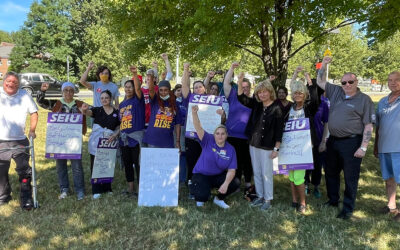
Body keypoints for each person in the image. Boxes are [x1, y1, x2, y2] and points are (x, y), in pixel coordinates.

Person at [317, 56, 375, 220]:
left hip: (351, 142)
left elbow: (368, 125)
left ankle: (348, 208)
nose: (347, 85)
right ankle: (333, 200)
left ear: (356, 82)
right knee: (330, 172)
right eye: (344, 82)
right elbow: (320, 81)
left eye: (350, 82)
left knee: (350, 176)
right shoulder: (336, 91)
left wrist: (363, 147)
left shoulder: (364, 100)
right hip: (333, 140)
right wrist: (324, 64)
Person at [239, 79, 284, 211]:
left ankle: (268, 199)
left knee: (266, 174)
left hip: (268, 146)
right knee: (257, 172)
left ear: (270, 92)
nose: (262, 94)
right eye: (259, 92)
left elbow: (279, 131)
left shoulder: (277, 108)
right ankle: (259, 196)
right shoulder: (257, 105)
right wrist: (240, 77)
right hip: (253, 144)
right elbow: (241, 97)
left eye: (265, 92)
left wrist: (276, 148)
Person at [37, 81, 86, 200]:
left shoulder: (80, 104)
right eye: (66, 90)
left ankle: (80, 190)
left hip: (74, 141)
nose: (68, 92)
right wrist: (42, 91)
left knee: (77, 167)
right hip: (59, 140)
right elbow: (40, 102)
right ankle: (64, 189)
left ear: (74, 92)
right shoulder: (56, 104)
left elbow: (93, 111)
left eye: (71, 90)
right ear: (62, 91)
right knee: (60, 166)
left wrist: (86, 110)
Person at [0, 72, 38, 210]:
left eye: (15, 82)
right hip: (1, 140)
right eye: (8, 81)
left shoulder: (24, 95)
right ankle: (3, 196)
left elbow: (34, 112)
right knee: (1, 170)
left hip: (20, 139)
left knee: (24, 171)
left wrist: (32, 130)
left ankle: (26, 197)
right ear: (4, 81)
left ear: (19, 84)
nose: (11, 84)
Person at [190, 105, 240, 209]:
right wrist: (194, 113)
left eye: (223, 134)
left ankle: (219, 199)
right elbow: (198, 126)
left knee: (235, 182)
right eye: (217, 133)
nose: (220, 136)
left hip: (217, 176)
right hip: (201, 174)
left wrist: (226, 184)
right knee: (203, 196)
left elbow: (231, 170)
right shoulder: (208, 139)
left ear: (226, 135)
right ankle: (198, 192)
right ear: (214, 134)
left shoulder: (231, 149)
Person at [284, 66, 319, 213]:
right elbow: (291, 85)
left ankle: (303, 203)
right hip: (290, 147)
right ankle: (294, 200)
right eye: (295, 93)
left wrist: (309, 79)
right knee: (291, 176)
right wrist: (294, 74)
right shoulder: (290, 108)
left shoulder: (309, 107)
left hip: (304, 148)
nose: (297, 95)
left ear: (304, 94)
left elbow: (315, 96)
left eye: (300, 93)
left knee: (299, 178)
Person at [81, 90, 120, 199]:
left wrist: (116, 134)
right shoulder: (97, 110)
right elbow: (88, 112)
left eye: (106, 98)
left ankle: (107, 188)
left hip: (109, 142)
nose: (104, 100)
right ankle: (96, 189)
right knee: (95, 164)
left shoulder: (116, 112)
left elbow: (119, 126)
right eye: (102, 98)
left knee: (108, 164)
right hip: (96, 142)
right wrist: (84, 110)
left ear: (111, 98)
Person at [374, 71, 400, 222]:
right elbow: (378, 126)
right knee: (389, 179)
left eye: (397, 80)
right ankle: (391, 206)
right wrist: (376, 145)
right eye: (390, 80)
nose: (393, 83)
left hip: (398, 147)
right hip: (384, 146)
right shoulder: (383, 101)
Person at [223, 63, 253, 189]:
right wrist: (232, 68)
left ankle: (247, 182)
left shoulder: (254, 101)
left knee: (247, 160)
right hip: (232, 135)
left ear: (250, 88)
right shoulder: (233, 96)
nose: (244, 89)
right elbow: (225, 84)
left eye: (246, 87)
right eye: (242, 86)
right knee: (234, 161)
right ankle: (235, 183)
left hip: (247, 136)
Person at [119, 67, 145, 196]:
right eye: (126, 87)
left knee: (138, 164)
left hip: (136, 139)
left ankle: (141, 189)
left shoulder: (138, 100)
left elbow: (139, 89)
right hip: (124, 139)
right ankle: (131, 188)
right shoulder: (122, 104)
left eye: (130, 86)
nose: (128, 89)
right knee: (128, 164)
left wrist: (134, 74)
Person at [142, 78, 181, 149]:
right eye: (161, 90)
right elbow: (151, 90)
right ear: (158, 91)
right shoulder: (155, 100)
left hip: (167, 141)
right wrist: (151, 77)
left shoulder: (175, 104)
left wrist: (178, 141)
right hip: (152, 140)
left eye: (166, 90)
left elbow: (177, 123)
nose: (163, 92)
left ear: (169, 90)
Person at [173, 84, 187, 183]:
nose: (180, 92)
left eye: (182, 90)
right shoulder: (172, 103)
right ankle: (174, 175)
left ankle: (182, 177)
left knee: (183, 152)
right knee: (175, 152)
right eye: (178, 90)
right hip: (175, 129)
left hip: (185, 129)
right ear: (174, 92)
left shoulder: (186, 102)